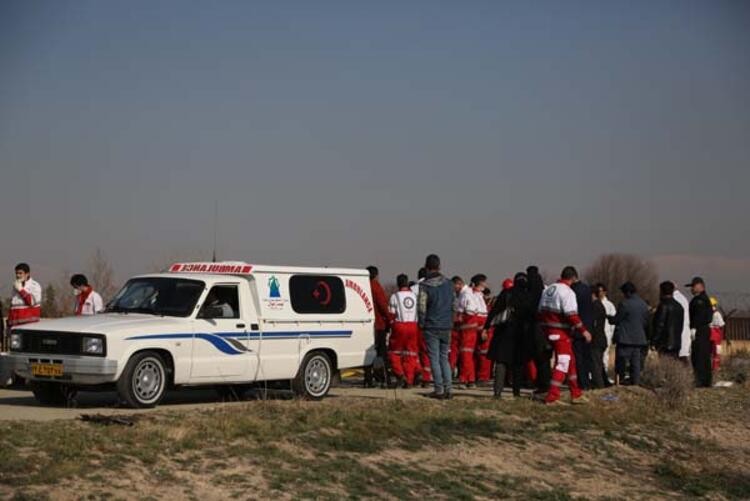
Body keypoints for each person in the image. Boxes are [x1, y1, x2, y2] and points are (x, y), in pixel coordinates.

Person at [538, 266, 592, 404]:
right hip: (562, 333)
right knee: (562, 363)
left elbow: (540, 311)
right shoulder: (568, 292)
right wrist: (584, 331)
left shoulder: (548, 289)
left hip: (548, 331)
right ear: (573, 278)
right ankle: (553, 395)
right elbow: (572, 315)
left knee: (571, 362)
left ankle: (576, 393)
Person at [485, 273, 533, 398]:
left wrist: (486, 326)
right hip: (521, 334)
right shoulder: (528, 295)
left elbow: (495, 310)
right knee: (518, 364)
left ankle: (497, 392)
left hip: (503, 332)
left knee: (501, 363)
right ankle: (516, 393)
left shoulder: (507, 293)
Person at [417, 254, 454, 399]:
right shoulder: (449, 284)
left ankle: (438, 390)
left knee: (434, 358)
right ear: (439, 266)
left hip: (431, 326)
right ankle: (449, 389)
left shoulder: (424, 285)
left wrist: (421, 323)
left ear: (426, 267)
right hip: (446, 326)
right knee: (444, 358)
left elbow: (421, 307)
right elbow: (454, 304)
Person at [608, 282, 650, 386]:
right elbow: (646, 321)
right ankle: (635, 383)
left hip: (625, 338)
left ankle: (620, 381)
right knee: (636, 363)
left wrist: (609, 318)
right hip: (639, 338)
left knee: (621, 361)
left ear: (627, 292)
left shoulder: (625, 304)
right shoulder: (643, 304)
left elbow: (617, 319)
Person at [387, 274, 420, 387]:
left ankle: (400, 374)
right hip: (413, 326)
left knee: (394, 353)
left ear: (398, 284)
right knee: (411, 354)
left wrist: (390, 325)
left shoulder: (394, 296)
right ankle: (409, 379)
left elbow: (391, 314)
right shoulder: (415, 296)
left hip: (399, 325)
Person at [457, 274, 488, 388]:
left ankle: (466, 379)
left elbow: (468, 312)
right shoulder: (472, 294)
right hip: (475, 327)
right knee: (469, 355)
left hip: (469, 329)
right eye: (483, 283)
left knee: (467, 354)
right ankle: (471, 379)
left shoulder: (469, 294)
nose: (485, 285)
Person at [365, 266, 391, 388]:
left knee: (367, 353)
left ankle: (367, 379)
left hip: (365, 325)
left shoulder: (363, 286)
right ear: (376, 275)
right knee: (381, 353)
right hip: (378, 325)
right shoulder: (376, 286)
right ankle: (385, 379)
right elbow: (382, 305)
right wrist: (390, 319)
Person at [527, 265, 551, 393]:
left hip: (535, 329)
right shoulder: (545, 291)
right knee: (544, 359)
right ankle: (544, 382)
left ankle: (542, 384)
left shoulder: (529, 292)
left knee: (538, 358)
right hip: (545, 328)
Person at [687, 277, 714, 387]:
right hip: (703, 330)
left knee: (699, 355)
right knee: (703, 355)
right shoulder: (704, 299)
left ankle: (701, 380)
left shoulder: (699, 300)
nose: (691, 289)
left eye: (693, 286)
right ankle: (705, 380)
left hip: (700, 330)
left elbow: (700, 316)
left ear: (700, 286)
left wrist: (694, 327)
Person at [475, 283, 503, 384]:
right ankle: (483, 376)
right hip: (489, 332)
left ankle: (484, 377)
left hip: (489, 332)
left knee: (484, 355)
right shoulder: (489, 306)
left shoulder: (490, 307)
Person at [571, 279, 594, 390]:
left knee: (579, 359)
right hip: (589, 329)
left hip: (578, 330)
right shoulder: (587, 289)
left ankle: (582, 383)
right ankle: (587, 383)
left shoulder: (573, 291)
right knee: (587, 358)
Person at [651, 282, 684, 358]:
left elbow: (659, 325)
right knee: (673, 365)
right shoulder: (679, 306)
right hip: (676, 342)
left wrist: (654, 341)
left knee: (664, 366)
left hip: (664, 343)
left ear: (661, 291)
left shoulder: (663, 306)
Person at [7, 263, 42, 329]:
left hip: (29, 326)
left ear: (27, 274)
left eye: (20, 273)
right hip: (15, 326)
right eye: (16, 273)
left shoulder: (34, 285)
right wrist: (9, 324)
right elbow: (13, 306)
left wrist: (21, 290)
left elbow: (32, 302)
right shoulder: (16, 286)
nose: (18, 275)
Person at [413, 267, 432, 386]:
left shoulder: (412, 289)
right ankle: (426, 378)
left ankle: (416, 373)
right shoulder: (431, 288)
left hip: (415, 323)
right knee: (426, 352)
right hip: (429, 324)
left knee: (415, 351)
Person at [595, 284, 617, 382]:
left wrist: (611, 334)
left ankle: (604, 376)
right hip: (596, 333)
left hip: (606, 333)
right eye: (597, 291)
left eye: (601, 291)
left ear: (605, 292)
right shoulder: (593, 303)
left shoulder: (609, 305)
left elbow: (613, 321)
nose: (599, 293)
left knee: (604, 356)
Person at [590, 290, 609, 388]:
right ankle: (604, 382)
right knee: (599, 363)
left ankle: (598, 385)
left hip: (596, 340)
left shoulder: (595, 306)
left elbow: (594, 324)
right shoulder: (600, 305)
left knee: (595, 364)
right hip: (601, 339)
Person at [450, 276, 468, 375]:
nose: (454, 289)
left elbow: (460, 312)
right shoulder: (462, 294)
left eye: (454, 287)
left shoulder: (464, 294)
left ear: (459, 284)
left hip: (462, 326)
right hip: (461, 326)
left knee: (463, 351)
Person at [672, 283, 692, 363]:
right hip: (684, 331)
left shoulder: (674, 298)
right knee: (683, 356)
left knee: (678, 358)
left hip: (678, 332)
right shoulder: (683, 298)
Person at [709, 297, 725, 372]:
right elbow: (721, 325)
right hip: (716, 334)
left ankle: (710, 367)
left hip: (709, 333)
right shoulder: (717, 314)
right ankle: (715, 367)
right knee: (717, 352)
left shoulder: (707, 314)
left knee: (710, 352)